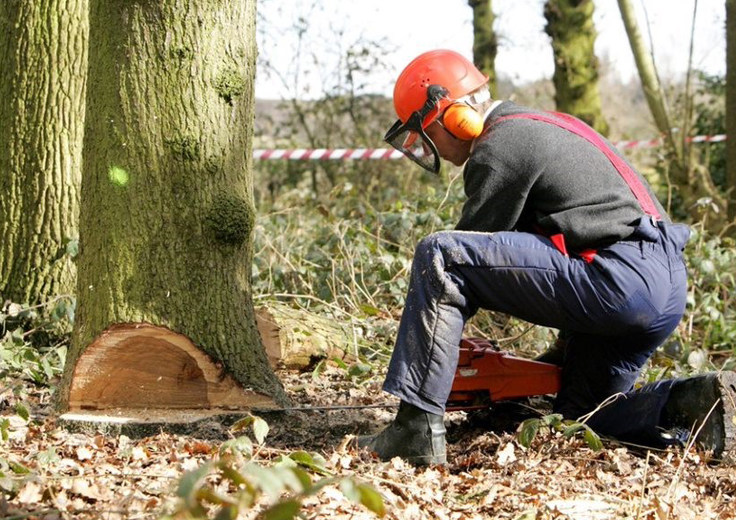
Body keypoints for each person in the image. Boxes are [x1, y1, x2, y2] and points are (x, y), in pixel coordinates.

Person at [358, 49, 736, 466]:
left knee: (442, 257)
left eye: (427, 134)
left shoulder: (498, 146)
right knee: (586, 415)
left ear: (456, 116)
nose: (432, 149)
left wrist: (435, 340)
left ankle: (414, 430)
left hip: (617, 280)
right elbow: (545, 250)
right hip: (663, 288)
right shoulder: (545, 125)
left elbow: (469, 256)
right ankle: (698, 403)